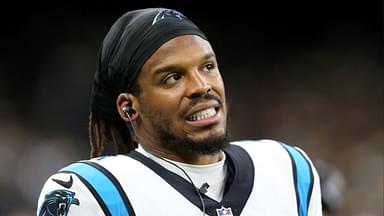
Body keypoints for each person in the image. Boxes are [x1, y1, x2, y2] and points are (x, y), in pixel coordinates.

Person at [36, 8, 322, 216]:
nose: (201, 86)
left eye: (207, 67)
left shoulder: (288, 167)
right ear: (128, 106)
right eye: (172, 77)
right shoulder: (90, 192)